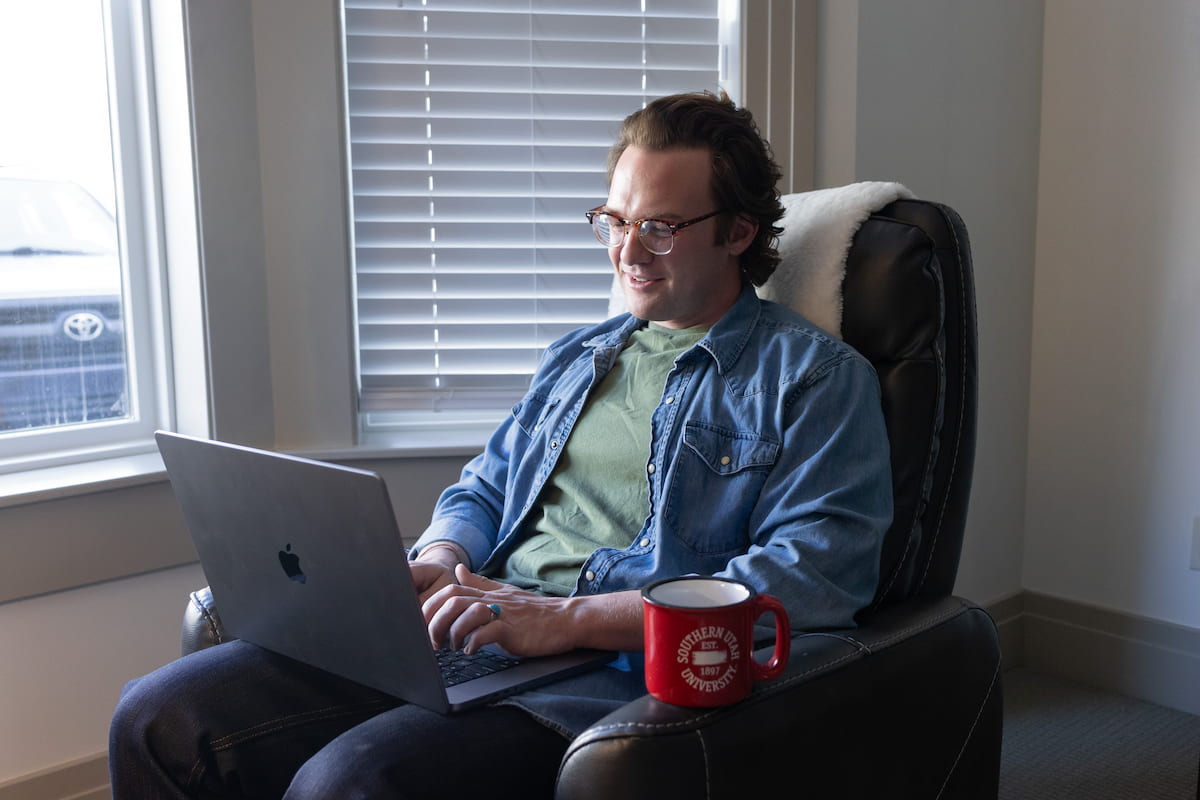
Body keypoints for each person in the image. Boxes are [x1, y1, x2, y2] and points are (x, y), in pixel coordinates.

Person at [108, 90, 893, 799]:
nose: (626, 252)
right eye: (614, 221)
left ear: (739, 232)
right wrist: (443, 558)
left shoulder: (814, 379)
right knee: (156, 718)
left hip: (602, 671)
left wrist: (570, 619)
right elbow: (483, 490)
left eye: (659, 226)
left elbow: (817, 577)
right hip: (480, 626)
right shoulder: (578, 357)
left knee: (347, 784)